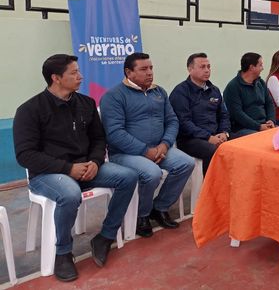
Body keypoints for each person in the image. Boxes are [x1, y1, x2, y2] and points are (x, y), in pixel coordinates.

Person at [13, 54, 137, 282]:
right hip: (47, 174)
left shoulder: (86, 103)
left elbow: (99, 139)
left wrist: (96, 162)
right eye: (74, 72)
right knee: (70, 194)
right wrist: (68, 168)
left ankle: (105, 236)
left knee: (128, 177)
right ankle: (63, 253)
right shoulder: (29, 110)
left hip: (86, 168)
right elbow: (25, 155)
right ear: (56, 78)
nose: (81, 76)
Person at [100, 52, 195, 238]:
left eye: (151, 68)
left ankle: (159, 207)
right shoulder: (114, 96)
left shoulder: (159, 92)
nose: (150, 72)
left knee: (186, 163)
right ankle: (141, 215)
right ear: (129, 72)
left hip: (159, 148)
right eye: (143, 69)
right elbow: (115, 133)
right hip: (125, 153)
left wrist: (165, 145)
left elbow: (172, 121)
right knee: (152, 173)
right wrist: (145, 151)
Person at [169, 53, 232, 175]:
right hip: (190, 139)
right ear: (190, 69)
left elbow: (224, 115)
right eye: (202, 67)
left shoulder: (214, 90)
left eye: (208, 67)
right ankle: (210, 185)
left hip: (216, 135)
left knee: (240, 144)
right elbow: (184, 123)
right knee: (213, 150)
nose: (207, 70)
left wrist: (224, 132)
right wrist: (208, 137)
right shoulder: (181, 92)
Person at [223, 52, 276, 136]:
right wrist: (258, 127)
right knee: (262, 139)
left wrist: (271, 120)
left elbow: (269, 103)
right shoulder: (233, 87)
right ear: (251, 68)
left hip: (263, 125)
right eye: (260, 65)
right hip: (243, 128)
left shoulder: (261, 83)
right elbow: (237, 114)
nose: (262, 68)